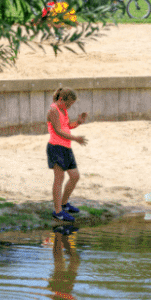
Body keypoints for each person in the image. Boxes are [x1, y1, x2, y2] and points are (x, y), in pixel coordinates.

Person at [47, 88, 88, 222]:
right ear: (61, 100)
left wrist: (78, 123)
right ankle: (58, 211)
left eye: (71, 105)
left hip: (66, 148)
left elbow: (67, 126)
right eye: (68, 104)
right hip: (56, 147)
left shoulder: (63, 110)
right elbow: (58, 131)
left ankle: (64, 204)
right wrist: (75, 138)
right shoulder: (53, 110)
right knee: (59, 178)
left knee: (75, 176)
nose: (70, 107)